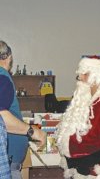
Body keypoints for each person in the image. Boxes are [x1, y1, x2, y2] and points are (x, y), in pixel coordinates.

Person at [56, 56, 100, 179]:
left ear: (98, 75)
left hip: (95, 174)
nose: (80, 77)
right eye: (80, 73)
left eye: (85, 74)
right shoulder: (83, 99)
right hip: (76, 172)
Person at [0, 40, 46, 179]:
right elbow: (1, 117)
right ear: (9, 57)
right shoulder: (2, 77)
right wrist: (32, 131)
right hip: (6, 164)